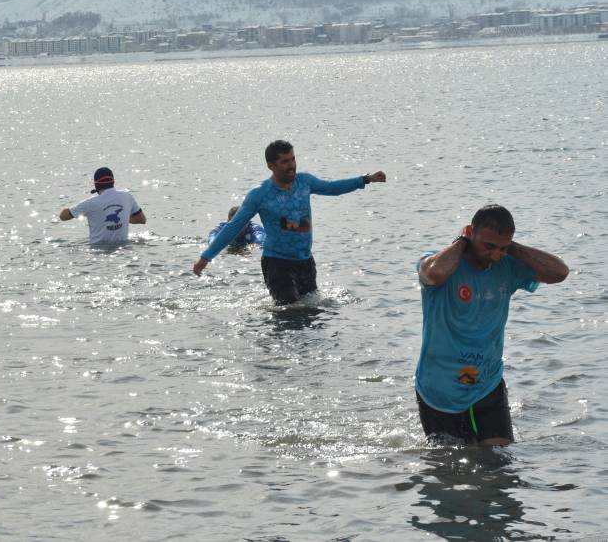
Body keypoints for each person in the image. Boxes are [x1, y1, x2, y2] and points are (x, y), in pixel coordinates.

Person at [415, 204, 568, 446]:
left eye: (502, 248)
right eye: (488, 246)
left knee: (500, 467)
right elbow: (433, 273)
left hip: (487, 383)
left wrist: (512, 248)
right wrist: (461, 243)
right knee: (449, 471)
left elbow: (559, 272)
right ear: (470, 232)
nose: (496, 255)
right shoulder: (442, 263)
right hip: (440, 389)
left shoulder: (506, 265)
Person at [192, 140, 386, 304]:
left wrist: (365, 179)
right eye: (285, 162)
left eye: (293, 159)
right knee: (290, 316)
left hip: (305, 261)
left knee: (312, 313)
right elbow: (233, 227)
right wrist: (206, 257)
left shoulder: (305, 182)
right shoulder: (259, 194)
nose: (291, 165)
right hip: (277, 264)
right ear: (271, 166)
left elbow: (332, 188)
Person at [58, 167, 146, 244]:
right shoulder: (127, 196)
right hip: (124, 249)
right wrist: (123, 217)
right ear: (113, 181)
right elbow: (142, 219)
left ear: (96, 185)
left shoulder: (90, 203)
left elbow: (63, 216)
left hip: (98, 252)